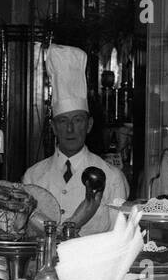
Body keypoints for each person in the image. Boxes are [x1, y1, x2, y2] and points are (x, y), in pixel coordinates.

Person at [22, 44, 128, 235]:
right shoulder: (33, 177)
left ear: (89, 125)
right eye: (63, 121)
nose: (70, 129)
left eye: (78, 120)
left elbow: (119, 240)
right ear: (53, 127)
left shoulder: (112, 178)